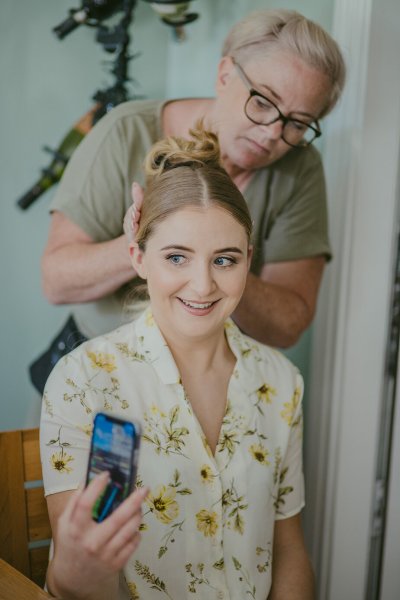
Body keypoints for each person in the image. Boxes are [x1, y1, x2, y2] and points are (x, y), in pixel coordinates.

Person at [40, 127, 314, 600]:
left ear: (249, 260)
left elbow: (288, 549)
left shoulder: (281, 382)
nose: (202, 285)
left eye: (225, 260)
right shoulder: (84, 382)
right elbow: (78, 576)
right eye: (176, 257)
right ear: (138, 258)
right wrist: (73, 574)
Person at [40, 8, 346, 353]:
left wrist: (220, 261)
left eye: (298, 123)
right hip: (95, 366)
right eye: (262, 102)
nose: (273, 132)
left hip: (211, 386)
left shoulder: (300, 168)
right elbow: (56, 282)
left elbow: (288, 325)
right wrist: (149, 241)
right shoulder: (126, 132)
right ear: (225, 74)